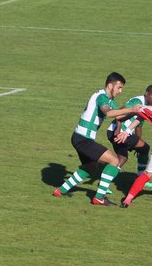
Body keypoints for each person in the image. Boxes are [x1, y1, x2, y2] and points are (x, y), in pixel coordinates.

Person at [53, 72, 141, 206]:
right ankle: (99, 197)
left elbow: (119, 116)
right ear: (110, 85)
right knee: (114, 161)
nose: (120, 91)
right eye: (119, 87)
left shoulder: (107, 99)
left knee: (91, 166)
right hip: (83, 139)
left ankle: (61, 191)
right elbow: (109, 113)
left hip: (79, 137)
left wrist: (137, 113)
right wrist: (131, 109)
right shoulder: (102, 97)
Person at [107, 84, 152, 190]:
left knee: (127, 156)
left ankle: (105, 183)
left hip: (119, 133)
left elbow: (138, 127)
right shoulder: (137, 101)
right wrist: (118, 130)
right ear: (146, 93)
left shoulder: (145, 106)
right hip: (118, 132)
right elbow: (120, 113)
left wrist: (138, 144)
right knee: (139, 150)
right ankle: (140, 178)